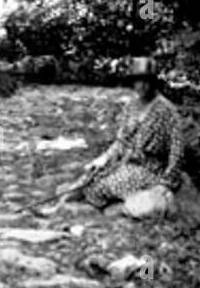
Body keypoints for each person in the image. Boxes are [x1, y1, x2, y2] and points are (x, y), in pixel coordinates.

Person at [42, 57, 184, 214]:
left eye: (146, 80)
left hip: (150, 169)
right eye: (138, 80)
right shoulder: (131, 107)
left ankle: (90, 208)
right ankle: (58, 207)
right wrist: (104, 158)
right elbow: (121, 141)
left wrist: (165, 184)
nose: (142, 85)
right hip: (125, 161)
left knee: (106, 183)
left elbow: (177, 151)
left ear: (153, 82)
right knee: (90, 175)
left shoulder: (167, 110)